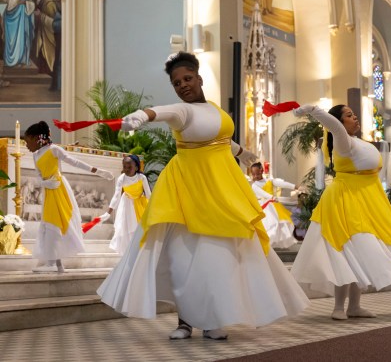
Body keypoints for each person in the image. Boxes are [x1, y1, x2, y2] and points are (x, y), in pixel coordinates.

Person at [97, 52, 309, 340]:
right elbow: (164, 112)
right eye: (176, 83)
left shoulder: (214, 110)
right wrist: (140, 116)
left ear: (199, 78)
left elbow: (219, 138)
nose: (182, 85)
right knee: (182, 258)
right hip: (187, 188)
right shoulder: (182, 111)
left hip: (220, 188)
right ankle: (185, 322)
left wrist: (242, 153)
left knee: (215, 258)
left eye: (187, 79)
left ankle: (211, 319)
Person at [290, 104, 391, 320]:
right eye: (349, 115)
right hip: (344, 199)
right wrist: (313, 110)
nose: (355, 118)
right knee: (345, 252)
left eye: (354, 114)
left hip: (368, 199)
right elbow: (334, 126)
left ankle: (354, 306)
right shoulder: (342, 142)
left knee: (361, 253)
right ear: (340, 121)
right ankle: (338, 306)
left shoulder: (359, 143)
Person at [24, 121, 114, 273]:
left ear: (36, 138)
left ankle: (51, 264)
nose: (26, 145)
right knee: (51, 223)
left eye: (27, 141)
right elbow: (38, 175)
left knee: (54, 223)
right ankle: (57, 264)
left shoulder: (54, 150)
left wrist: (98, 171)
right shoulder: (36, 155)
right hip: (49, 190)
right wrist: (44, 183)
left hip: (59, 189)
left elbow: (75, 162)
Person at [97, 155, 151, 255]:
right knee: (127, 229)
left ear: (136, 167)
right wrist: (108, 213)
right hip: (127, 205)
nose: (126, 169)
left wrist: (153, 209)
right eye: (124, 167)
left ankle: (139, 253)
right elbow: (116, 196)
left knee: (139, 230)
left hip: (140, 204)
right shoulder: (121, 178)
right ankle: (128, 254)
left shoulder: (141, 177)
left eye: (129, 167)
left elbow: (148, 194)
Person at [250, 161, 298, 249]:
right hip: (263, 206)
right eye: (253, 174)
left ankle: (273, 244)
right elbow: (262, 193)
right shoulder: (254, 185)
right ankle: (266, 243)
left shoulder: (269, 181)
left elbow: (282, 184)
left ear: (261, 171)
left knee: (278, 223)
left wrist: (295, 186)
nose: (255, 176)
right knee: (269, 223)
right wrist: (271, 197)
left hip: (273, 205)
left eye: (257, 174)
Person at [0, 0, 35, 67]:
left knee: (19, 41)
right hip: (8, 21)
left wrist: (25, 3)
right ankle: (9, 61)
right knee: (10, 42)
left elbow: (32, 4)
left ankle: (19, 60)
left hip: (19, 23)